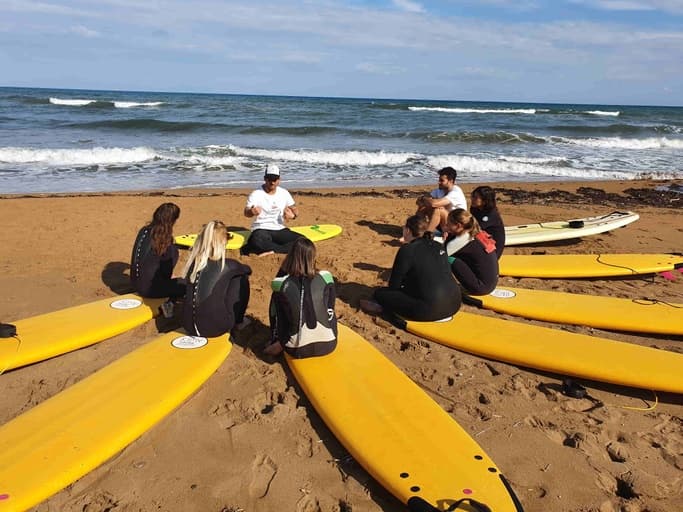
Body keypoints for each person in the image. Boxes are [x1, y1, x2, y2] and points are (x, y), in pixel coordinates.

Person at [361, 215, 461, 322]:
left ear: (408, 230)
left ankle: (381, 308)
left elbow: (394, 285)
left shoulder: (407, 250)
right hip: (455, 303)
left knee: (380, 293)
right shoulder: (439, 245)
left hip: (429, 310)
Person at [264, 237, 337, 358]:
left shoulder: (280, 283)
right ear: (313, 257)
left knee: (279, 301)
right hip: (329, 345)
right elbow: (330, 308)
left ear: (291, 255)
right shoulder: (326, 277)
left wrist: (276, 338)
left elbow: (276, 316)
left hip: (295, 349)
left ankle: (276, 343)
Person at [182, 220, 252, 337]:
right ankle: (239, 321)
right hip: (215, 328)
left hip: (187, 325)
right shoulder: (228, 266)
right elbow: (248, 270)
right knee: (241, 278)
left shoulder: (192, 264)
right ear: (222, 242)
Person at [130, 203, 185, 316]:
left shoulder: (144, 230)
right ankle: (169, 305)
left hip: (134, 282)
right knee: (186, 284)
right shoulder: (164, 240)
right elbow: (166, 272)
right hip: (149, 289)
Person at [241, 163, 304, 256]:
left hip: (279, 229)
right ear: (265, 178)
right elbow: (246, 212)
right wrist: (251, 211)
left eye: (275, 179)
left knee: (304, 242)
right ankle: (277, 249)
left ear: (279, 180)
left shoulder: (284, 193)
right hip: (261, 229)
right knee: (257, 241)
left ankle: (273, 250)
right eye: (269, 179)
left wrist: (293, 216)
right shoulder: (256, 193)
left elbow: (295, 209)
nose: (272, 182)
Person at [445, 209, 499, 296]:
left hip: (481, 288)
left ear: (458, 226)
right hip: (490, 284)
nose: (446, 225)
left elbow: (441, 255)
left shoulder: (462, 240)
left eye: (448, 224)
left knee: (449, 260)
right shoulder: (475, 232)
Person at [414, 166, 467, 234]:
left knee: (438, 209)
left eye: (442, 180)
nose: (439, 182)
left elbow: (434, 203)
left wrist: (424, 198)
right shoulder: (439, 190)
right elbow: (418, 202)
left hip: (457, 226)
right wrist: (424, 201)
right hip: (445, 223)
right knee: (424, 207)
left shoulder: (455, 192)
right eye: (439, 180)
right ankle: (418, 230)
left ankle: (427, 235)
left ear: (451, 181)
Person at [470, 186, 505, 259]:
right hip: (481, 242)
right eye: (472, 196)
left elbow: (474, 229)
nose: (472, 199)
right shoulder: (475, 209)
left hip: (492, 250)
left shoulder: (491, 214)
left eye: (476, 198)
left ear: (485, 201)